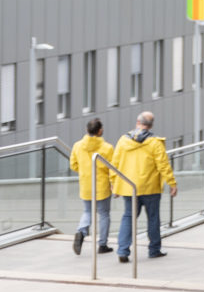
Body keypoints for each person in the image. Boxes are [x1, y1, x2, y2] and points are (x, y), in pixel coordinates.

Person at [111, 112, 176, 262]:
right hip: (150, 187)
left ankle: (123, 251)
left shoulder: (123, 140)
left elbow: (114, 163)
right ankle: (154, 250)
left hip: (129, 187)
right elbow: (163, 165)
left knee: (128, 217)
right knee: (153, 218)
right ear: (151, 125)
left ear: (137, 122)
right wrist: (172, 183)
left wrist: (113, 183)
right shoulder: (155, 142)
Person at [70, 118, 115, 255]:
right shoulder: (107, 148)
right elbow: (112, 169)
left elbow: (73, 165)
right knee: (104, 214)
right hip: (102, 186)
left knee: (88, 212)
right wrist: (113, 183)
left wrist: (84, 171)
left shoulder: (77, 146)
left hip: (86, 185)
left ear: (87, 130)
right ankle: (102, 245)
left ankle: (81, 232)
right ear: (100, 130)